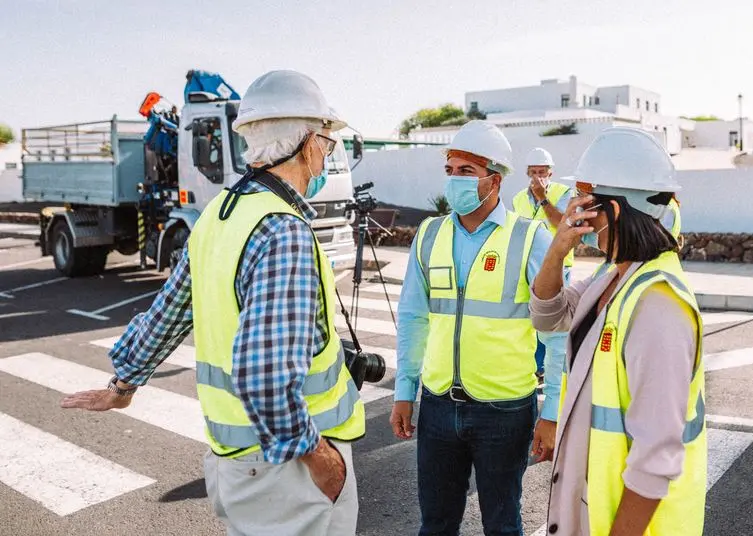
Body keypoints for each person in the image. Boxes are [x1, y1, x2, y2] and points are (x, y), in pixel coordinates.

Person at [59, 70, 366, 536]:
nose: (327, 155)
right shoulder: (282, 231)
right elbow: (265, 378)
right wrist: (323, 461)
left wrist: (122, 386)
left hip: (237, 468)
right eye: (327, 142)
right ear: (307, 144)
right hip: (290, 476)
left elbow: (168, 313)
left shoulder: (220, 214)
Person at [389, 120, 567, 536]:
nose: (455, 181)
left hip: (504, 411)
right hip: (437, 407)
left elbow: (558, 336)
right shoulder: (429, 234)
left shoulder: (529, 238)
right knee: (435, 525)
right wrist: (404, 391)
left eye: (466, 172)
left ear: (495, 179)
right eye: (450, 170)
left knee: (503, 525)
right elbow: (414, 317)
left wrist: (553, 412)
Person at [530, 127, 707, 535]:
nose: (581, 214)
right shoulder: (613, 275)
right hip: (596, 507)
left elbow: (655, 459)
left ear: (616, 209)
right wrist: (559, 248)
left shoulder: (658, 304)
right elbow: (547, 315)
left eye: (587, 204)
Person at [511, 147, 574, 379]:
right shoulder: (518, 198)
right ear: (528, 173)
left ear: (551, 173)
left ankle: (556, 369)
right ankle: (537, 367)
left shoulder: (564, 193)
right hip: (529, 266)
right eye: (534, 172)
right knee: (533, 320)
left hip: (560, 267)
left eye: (543, 172)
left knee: (555, 322)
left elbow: (561, 224)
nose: (539, 177)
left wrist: (543, 199)